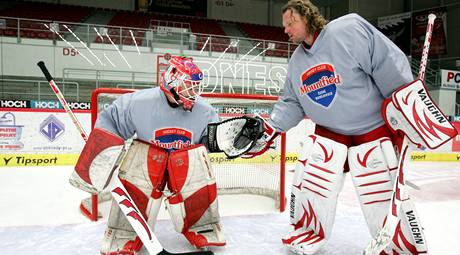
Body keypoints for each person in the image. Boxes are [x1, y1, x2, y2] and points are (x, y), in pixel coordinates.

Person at [243, 1, 452, 254]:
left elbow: (387, 62)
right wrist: (273, 126)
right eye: (284, 25)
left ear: (308, 17)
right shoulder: (297, 61)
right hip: (328, 135)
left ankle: (399, 244)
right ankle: (309, 230)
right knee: (312, 185)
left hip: (371, 131)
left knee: (380, 194)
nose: (285, 30)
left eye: (290, 23)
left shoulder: (348, 30)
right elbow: (292, 101)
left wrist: (405, 104)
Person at [69, 56, 226, 255]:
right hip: (149, 165)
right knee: (140, 159)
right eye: (189, 86)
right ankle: (125, 232)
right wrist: (104, 151)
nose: (194, 93)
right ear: (172, 81)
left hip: (184, 168)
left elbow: (210, 140)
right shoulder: (139, 102)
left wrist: (232, 143)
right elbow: (112, 122)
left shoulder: (204, 110)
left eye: (196, 87)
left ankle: (203, 226)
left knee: (196, 160)